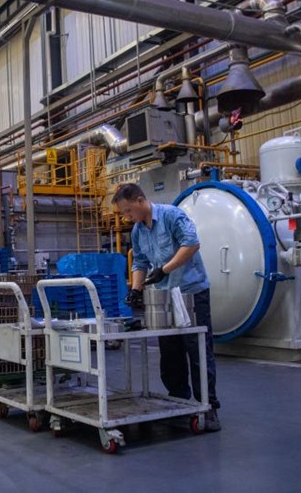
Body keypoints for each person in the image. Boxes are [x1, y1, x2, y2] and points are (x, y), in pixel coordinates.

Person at [112, 183, 221, 432]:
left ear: (141, 200)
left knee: (198, 351)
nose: (127, 217)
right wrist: (136, 290)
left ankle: (209, 407)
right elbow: (139, 261)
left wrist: (164, 269)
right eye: (124, 214)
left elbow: (191, 244)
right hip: (164, 296)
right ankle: (179, 403)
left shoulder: (172, 216)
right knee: (170, 352)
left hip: (191, 292)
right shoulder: (138, 232)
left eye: (129, 211)